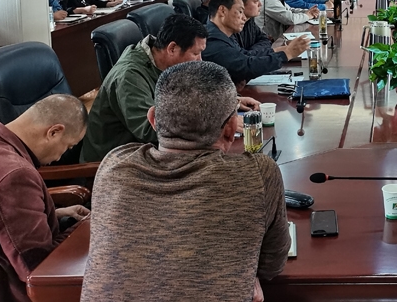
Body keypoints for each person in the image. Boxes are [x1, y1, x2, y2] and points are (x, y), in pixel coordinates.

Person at [81, 61, 290, 301]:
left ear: (153, 119)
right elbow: (272, 265)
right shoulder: (259, 173)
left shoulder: (113, 165)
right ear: (231, 129)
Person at [0, 95, 90, 302]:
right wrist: (85, 226)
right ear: (54, 132)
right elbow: (40, 269)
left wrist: (54, 213)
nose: (59, 157)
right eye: (68, 147)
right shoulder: (14, 175)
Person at [81, 14, 210, 162]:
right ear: (172, 48)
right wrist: (208, 125)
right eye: (195, 53)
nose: (200, 60)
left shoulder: (166, 63)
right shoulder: (129, 77)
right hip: (112, 163)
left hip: (142, 152)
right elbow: (151, 129)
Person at [203, 0, 309, 86]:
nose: (244, 17)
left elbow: (245, 55)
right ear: (222, 11)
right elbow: (246, 67)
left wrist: (280, 50)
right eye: (240, 11)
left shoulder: (224, 35)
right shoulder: (211, 40)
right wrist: (287, 54)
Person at [230, 0, 306, 61]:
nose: (260, 4)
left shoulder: (250, 20)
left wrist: (252, 51)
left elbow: (265, 40)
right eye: (256, 1)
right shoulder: (230, 29)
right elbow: (243, 58)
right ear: (240, 3)